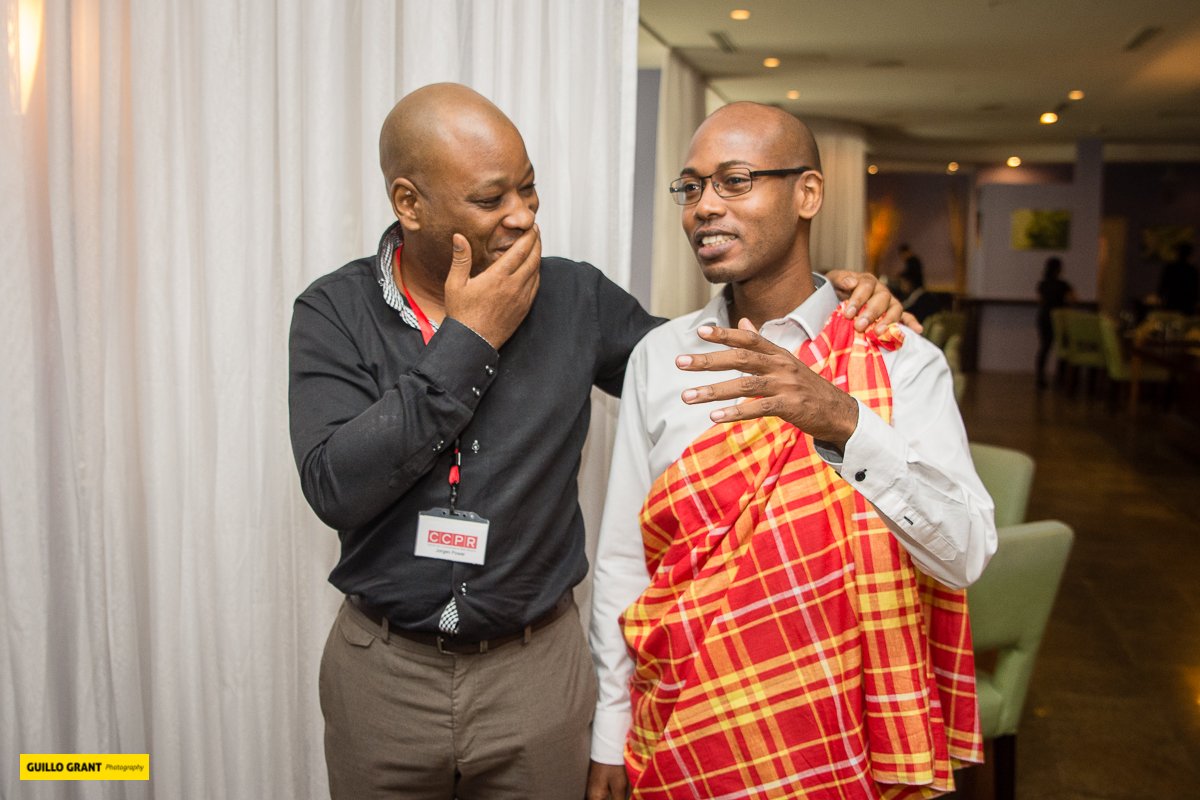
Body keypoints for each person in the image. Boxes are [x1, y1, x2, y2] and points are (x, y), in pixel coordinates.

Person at [288, 83, 905, 800]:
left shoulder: (574, 298)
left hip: (535, 674)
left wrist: (834, 304)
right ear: (410, 203)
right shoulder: (336, 311)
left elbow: (699, 367)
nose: (523, 215)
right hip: (384, 674)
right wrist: (469, 340)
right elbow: (336, 487)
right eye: (491, 199)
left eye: (528, 188)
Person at [587, 102, 997, 799]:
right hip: (684, 719)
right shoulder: (661, 355)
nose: (703, 207)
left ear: (807, 193)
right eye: (691, 187)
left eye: (734, 181)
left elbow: (966, 553)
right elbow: (627, 561)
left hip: (839, 727)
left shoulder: (897, 358)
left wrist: (844, 422)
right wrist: (610, 728)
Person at [1035, 256, 1074, 389]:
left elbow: (1040, 300)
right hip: (1059, 319)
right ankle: (1060, 377)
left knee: (1045, 346)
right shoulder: (1063, 285)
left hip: (1044, 316)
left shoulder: (1043, 284)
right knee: (1063, 347)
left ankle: (1040, 376)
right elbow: (1073, 299)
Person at [1157, 241, 1198, 315]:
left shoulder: (1171, 268)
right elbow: (1195, 288)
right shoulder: (1191, 270)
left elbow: (1163, 285)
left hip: (1173, 301)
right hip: (1186, 303)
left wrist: (1161, 298)